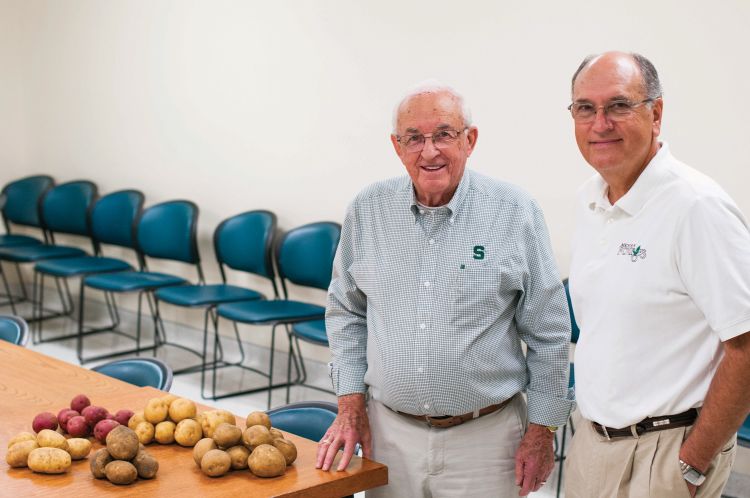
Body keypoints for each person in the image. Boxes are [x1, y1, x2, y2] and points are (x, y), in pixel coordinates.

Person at [316, 81, 574, 497]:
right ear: (397, 147)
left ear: (470, 140)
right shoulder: (368, 210)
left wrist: (542, 431)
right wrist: (350, 404)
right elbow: (347, 312)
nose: (429, 150)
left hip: (486, 441)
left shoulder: (515, 212)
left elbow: (549, 333)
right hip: (389, 434)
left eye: (444, 134)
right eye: (414, 138)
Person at [565, 51, 750, 498]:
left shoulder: (696, 207)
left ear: (656, 113)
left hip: (666, 453)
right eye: (585, 108)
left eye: (619, 105)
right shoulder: (589, 201)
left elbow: (746, 345)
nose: (600, 123)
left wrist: (692, 462)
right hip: (591, 445)